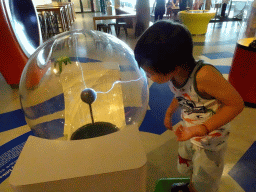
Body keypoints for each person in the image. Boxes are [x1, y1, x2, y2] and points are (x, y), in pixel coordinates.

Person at [134, 21, 244, 192]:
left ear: (174, 67)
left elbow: (236, 104)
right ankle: (192, 185)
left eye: (150, 73)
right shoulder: (175, 76)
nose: (148, 77)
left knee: (205, 178)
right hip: (190, 132)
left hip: (210, 142)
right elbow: (182, 95)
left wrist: (204, 127)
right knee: (190, 166)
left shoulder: (204, 76)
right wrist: (169, 113)